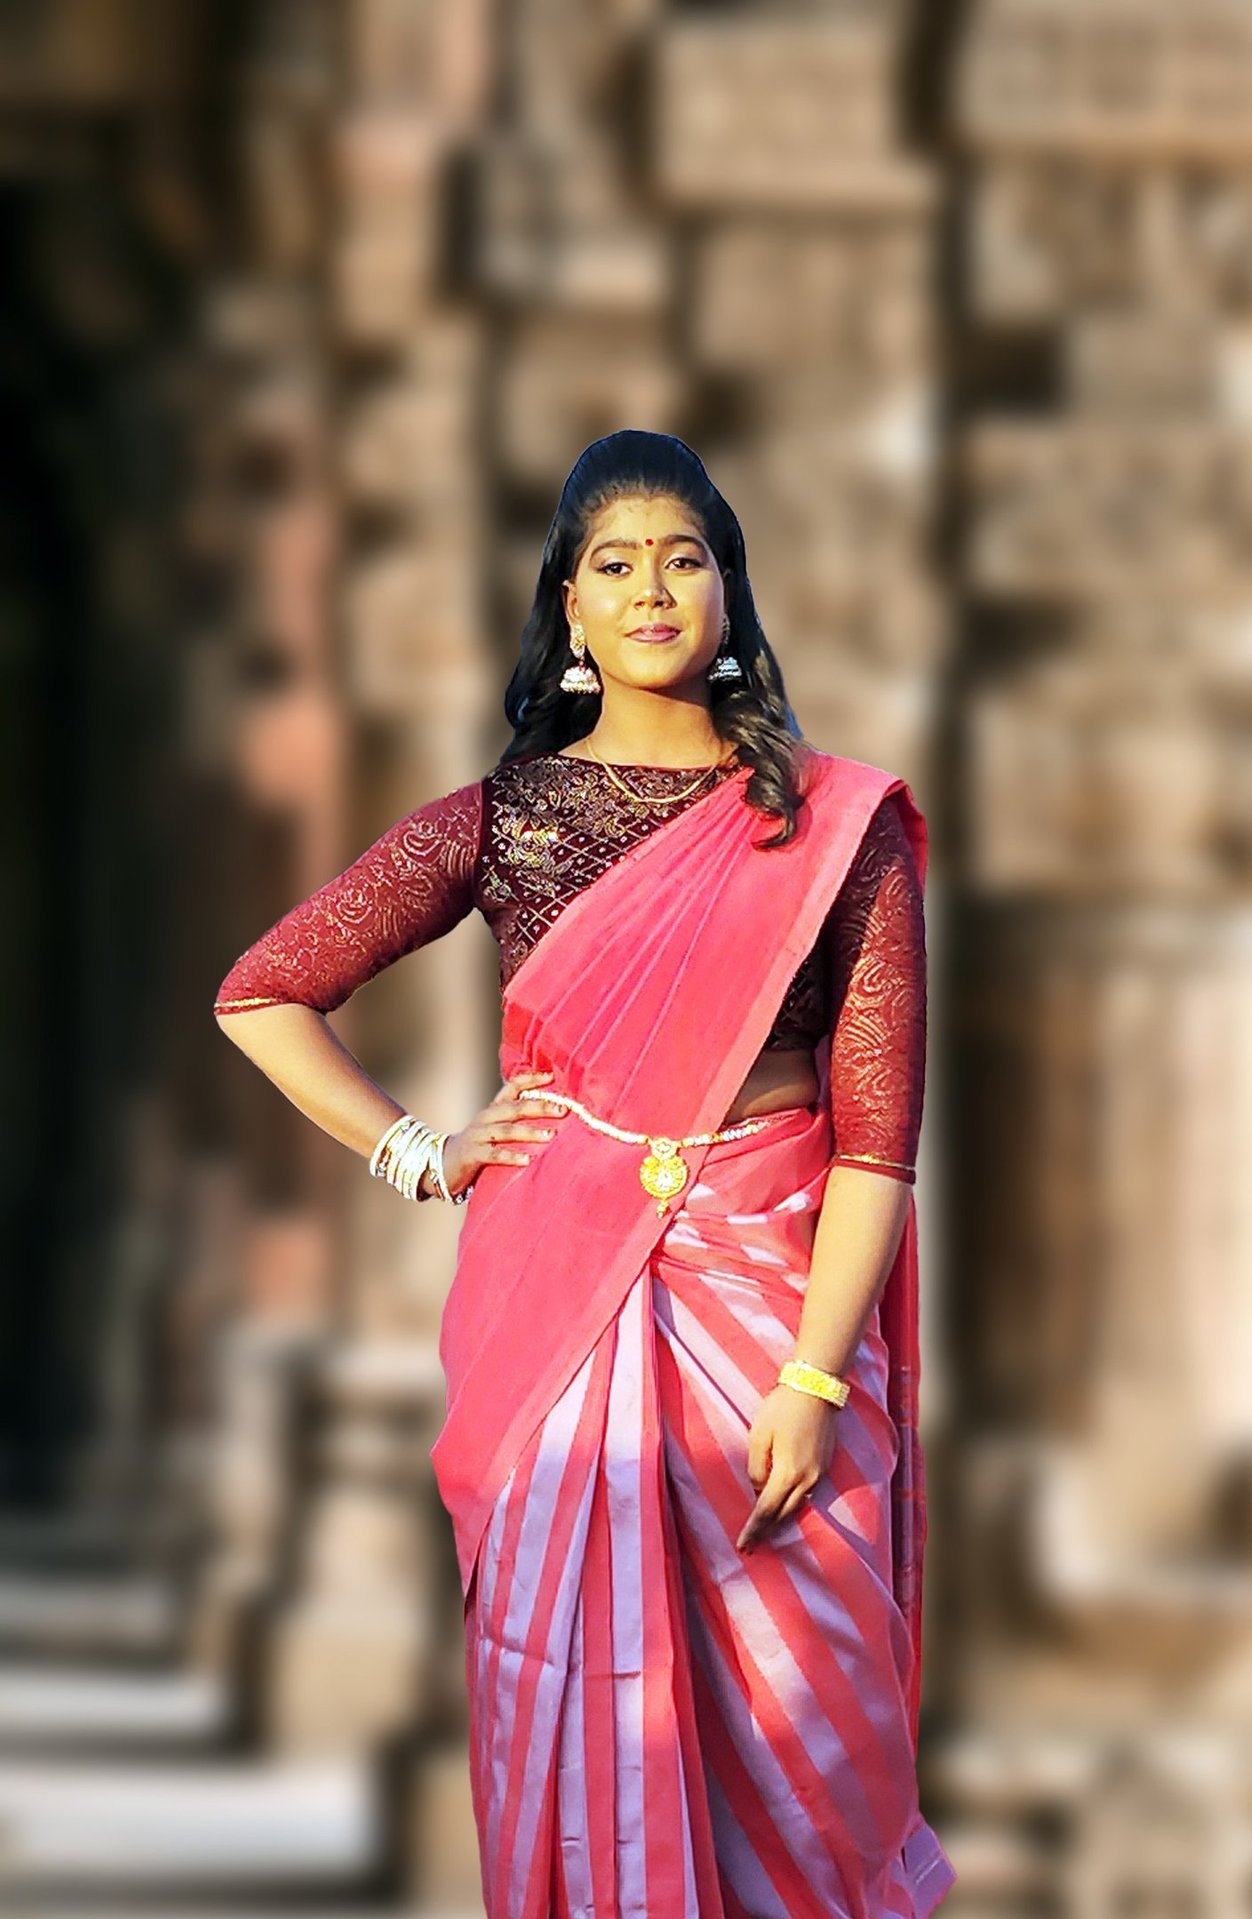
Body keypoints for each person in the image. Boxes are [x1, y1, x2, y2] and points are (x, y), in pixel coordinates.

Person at [214, 429, 956, 1918]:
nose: (652, 589)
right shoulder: (506, 820)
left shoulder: (833, 830)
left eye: (686, 559)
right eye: (613, 565)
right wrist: (420, 1153)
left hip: (772, 1308)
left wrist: (816, 1383)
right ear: (567, 609)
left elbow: (878, 1142)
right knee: (580, 1685)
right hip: (561, 1306)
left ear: (733, 597)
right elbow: (263, 992)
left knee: (811, 1706)